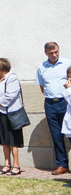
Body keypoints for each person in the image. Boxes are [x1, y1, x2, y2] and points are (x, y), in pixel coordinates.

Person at [36, 42, 71, 175]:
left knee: (70, 133)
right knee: (56, 135)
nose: (54, 55)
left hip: (66, 102)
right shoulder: (41, 67)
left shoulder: (67, 64)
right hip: (50, 103)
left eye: (56, 52)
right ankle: (62, 164)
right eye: (51, 53)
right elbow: (42, 86)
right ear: (46, 53)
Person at [0, 58, 24, 175]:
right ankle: (7, 164)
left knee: (13, 140)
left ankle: (16, 165)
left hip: (10, 114)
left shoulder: (12, 78)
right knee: (4, 140)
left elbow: (10, 95)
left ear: (1, 67)